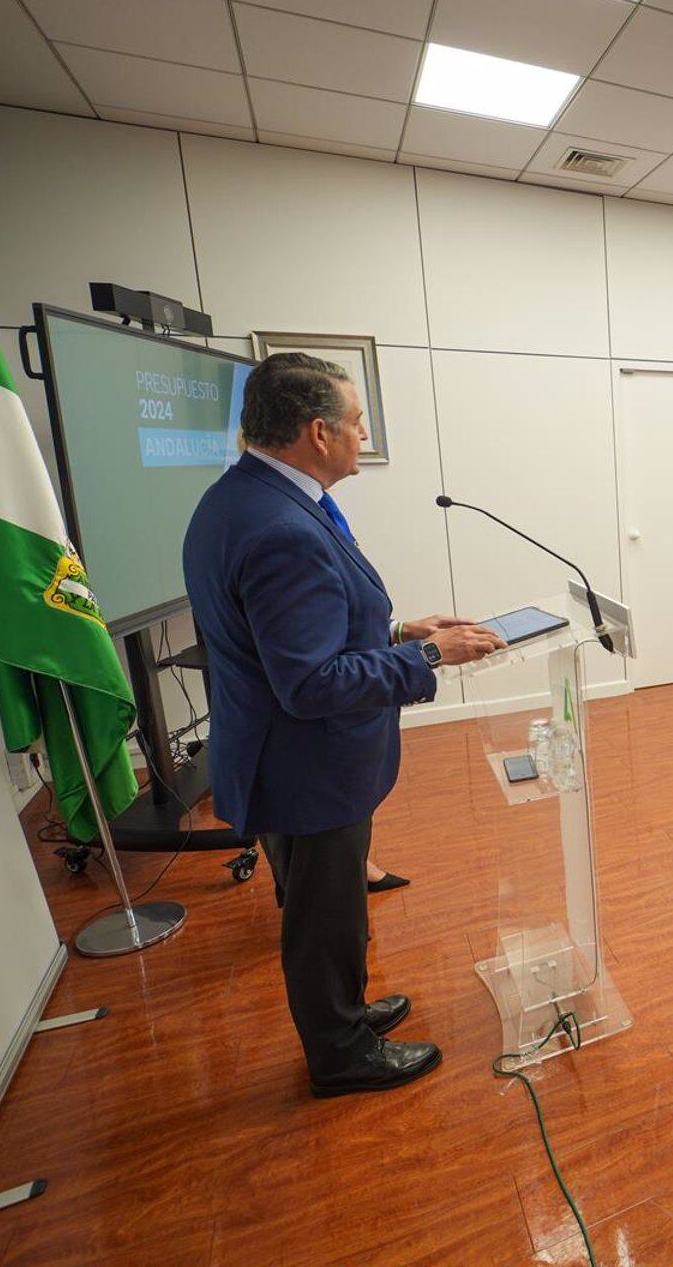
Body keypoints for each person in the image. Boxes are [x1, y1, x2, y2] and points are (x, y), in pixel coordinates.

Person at [183, 353, 502, 1096]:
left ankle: (348, 1013)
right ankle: (340, 1053)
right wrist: (429, 653)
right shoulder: (281, 528)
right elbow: (311, 682)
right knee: (322, 921)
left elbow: (297, 638)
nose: (366, 434)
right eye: (358, 422)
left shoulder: (245, 498)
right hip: (306, 765)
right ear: (319, 432)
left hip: (280, 753)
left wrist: (393, 632)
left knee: (322, 907)